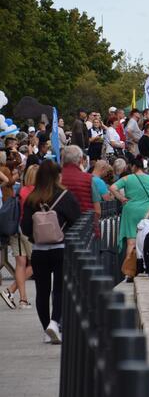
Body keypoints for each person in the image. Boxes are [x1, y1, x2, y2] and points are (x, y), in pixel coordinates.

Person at [20, 160, 81, 344]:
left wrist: (36, 236)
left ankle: (46, 328)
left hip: (39, 250)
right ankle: (55, 322)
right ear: (57, 176)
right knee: (60, 289)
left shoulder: (32, 198)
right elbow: (76, 221)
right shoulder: (65, 196)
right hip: (61, 248)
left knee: (42, 291)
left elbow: (25, 227)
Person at [109, 156, 149, 281]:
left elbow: (112, 188)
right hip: (147, 212)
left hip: (130, 210)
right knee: (146, 241)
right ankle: (146, 268)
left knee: (131, 243)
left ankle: (130, 273)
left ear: (133, 166)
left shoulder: (127, 178)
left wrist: (121, 198)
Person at [1, 164, 39, 310]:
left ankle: (22, 299)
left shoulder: (19, 190)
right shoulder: (36, 193)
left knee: (20, 264)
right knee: (36, 263)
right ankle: (10, 290)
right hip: (27, 231)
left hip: (15, 230)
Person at [60, 146, 94, 214]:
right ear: (81, 160)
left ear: (63, 159)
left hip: (60, 220)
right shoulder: (90, 179)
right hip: (84, 220)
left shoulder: (56, 178)